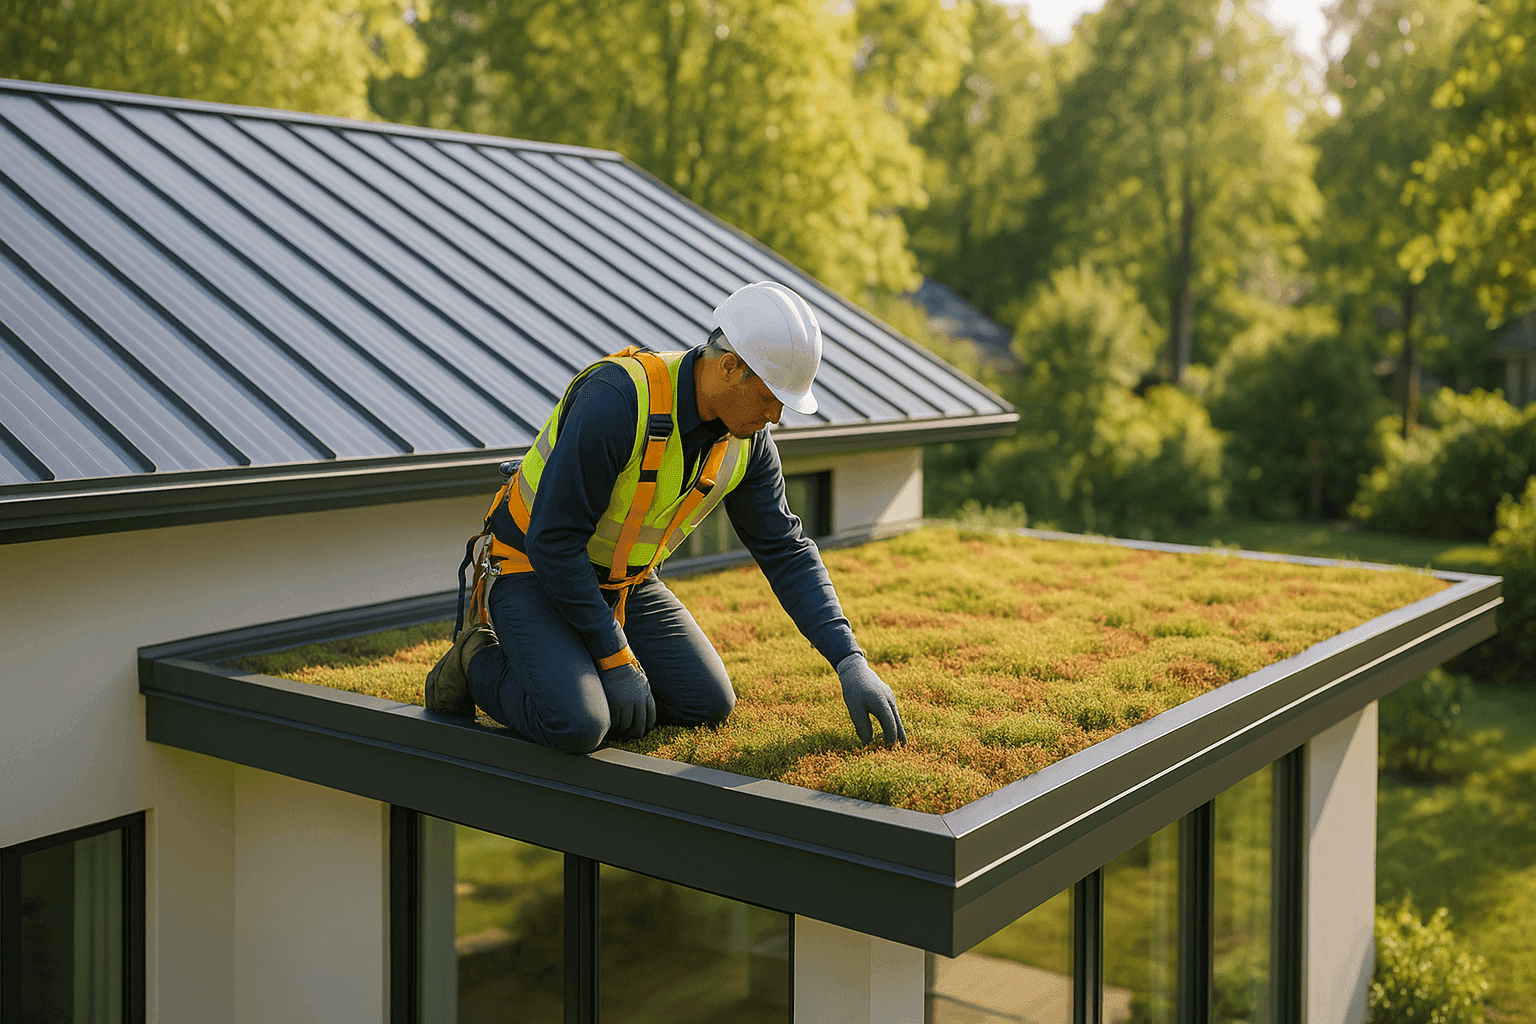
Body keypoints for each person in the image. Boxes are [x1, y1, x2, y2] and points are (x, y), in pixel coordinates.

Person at [425, 281, 906, 754]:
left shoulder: (747, 444)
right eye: (768, 397)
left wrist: (848, 659)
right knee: (579, 722)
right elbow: (554, 542)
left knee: (708, 702)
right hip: (530, 569)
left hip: (623, 585)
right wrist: (614, 658)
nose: (776, 415)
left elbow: (785, 548)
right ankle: (475, 659)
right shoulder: (616, 401)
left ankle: (576, 657)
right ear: (728, 367)